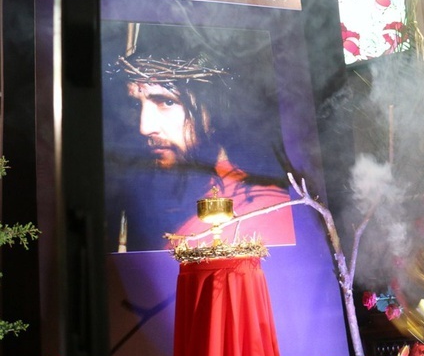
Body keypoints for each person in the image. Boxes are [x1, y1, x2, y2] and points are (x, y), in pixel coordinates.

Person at [104, 22, 296, 250]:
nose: (144, 128)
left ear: (213, 110)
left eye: (167, 102)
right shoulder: (153, 197)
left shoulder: (260, 214)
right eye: (136, 105)